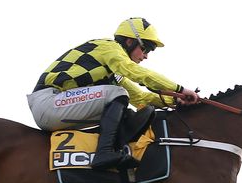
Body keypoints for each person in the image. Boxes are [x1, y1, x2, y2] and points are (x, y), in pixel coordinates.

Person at [27, 17, 200, 170]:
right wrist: (180, 90)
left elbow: (140, 98)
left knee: (128, 112)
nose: (146, 56)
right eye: (146, 48)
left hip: (60, 107)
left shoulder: (112, 75)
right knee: (118, 94)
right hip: (48, 102)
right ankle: (104, 154)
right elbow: (136, 73)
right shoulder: (108, 47)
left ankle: (115, 151)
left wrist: (176, 101)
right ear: (129, 41)